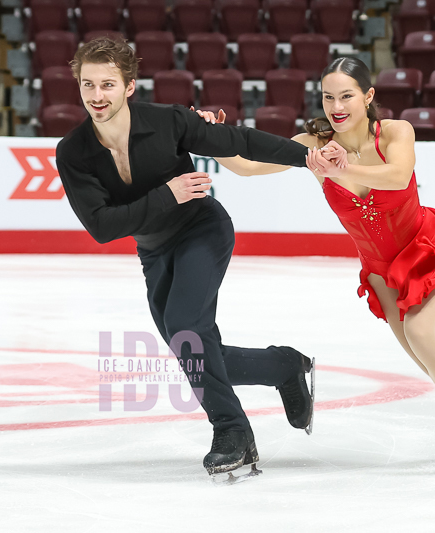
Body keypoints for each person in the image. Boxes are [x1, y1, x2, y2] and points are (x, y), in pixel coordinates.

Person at [195, 57, 435, 479]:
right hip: (380, 270)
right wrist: (208, 134)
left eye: (347, 95)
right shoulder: (311, 145)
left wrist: (342, 167)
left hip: (425, 248)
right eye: (328, 96)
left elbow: (397, 174)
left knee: (422, 334)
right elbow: (247, 165)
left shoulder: (394, 132)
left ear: (368, 96)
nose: (337, 105)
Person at [55, 38, 346, 482]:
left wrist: (306, 157)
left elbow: (241, 140)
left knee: (188, 328)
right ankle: (284, 365)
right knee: (192, 352)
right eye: (88, 84)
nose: (97, 96)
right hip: (153, 249)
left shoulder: (169, 121)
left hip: (201, 230)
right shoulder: (73, 152)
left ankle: (232, 433)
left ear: (129, 86)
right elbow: (102, 226)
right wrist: (166, 194)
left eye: (108, 84)